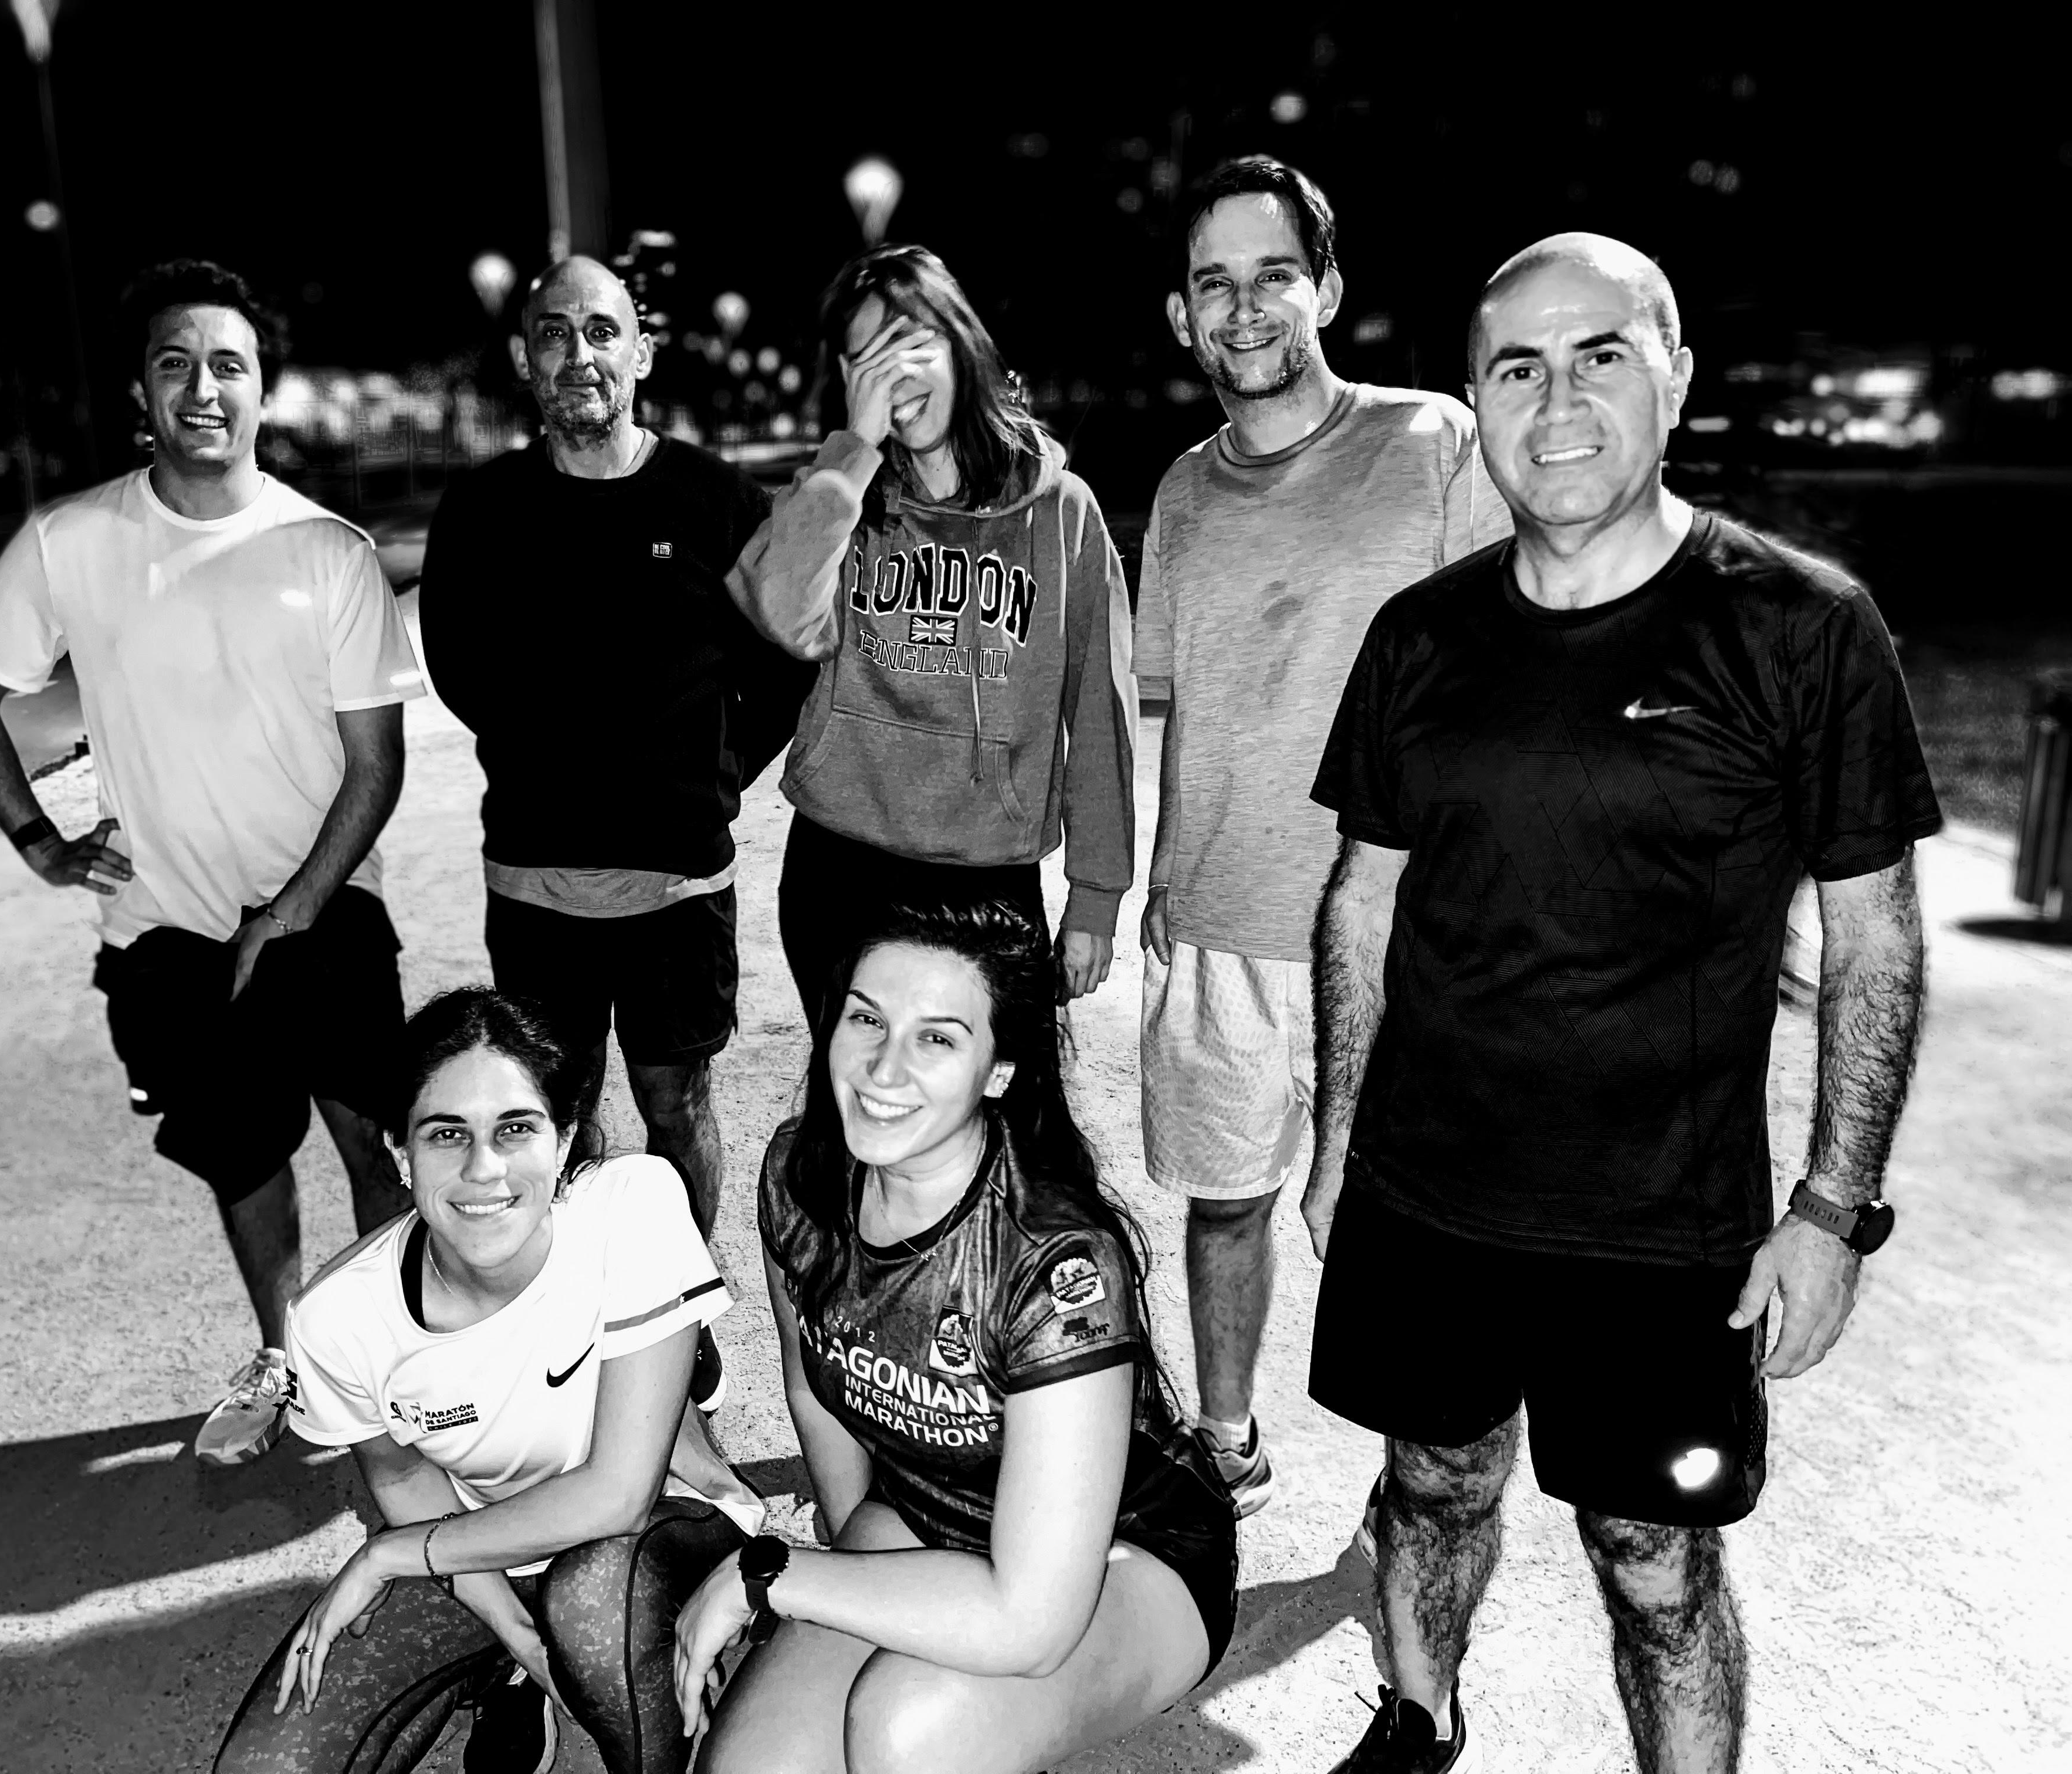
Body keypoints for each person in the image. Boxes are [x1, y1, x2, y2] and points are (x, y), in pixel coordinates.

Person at [1302, 234, 1936, 1772]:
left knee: (1657, 1569)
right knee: (1431, 1483)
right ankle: (1420, 1712)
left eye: (1601, 354)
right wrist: (1338, 1138)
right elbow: (1364, 898)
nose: (1558, 397)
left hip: (1662, 1231)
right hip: (1428, 1195)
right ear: (1476, 398)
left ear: (1676, 380)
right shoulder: (1422, 637)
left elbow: (1874, 940)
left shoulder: (1800, 626)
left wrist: (1834, 1210)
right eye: (1517, 365)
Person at [0, 259, 427, 1468]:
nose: (203, 387)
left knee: (377, 1147)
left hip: (324, 918)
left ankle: (401, 1361)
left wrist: (295, 908)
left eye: (228, 365)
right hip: (163, 941)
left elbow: (376, 769)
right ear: (141, 397)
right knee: (243, 1159)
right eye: (175, 365)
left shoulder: (327, 551)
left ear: (265, 390)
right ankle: (290, 1353)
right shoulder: (71, 542)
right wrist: (41, 843)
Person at [1136, 156, 1511, 1521]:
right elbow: (1169, 706)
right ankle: (1224, 1440)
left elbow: (1518, 661)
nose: (1243, 308)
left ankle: (1418, 1481)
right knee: (1225, 1200)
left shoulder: (1432, 444)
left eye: (1272, 275)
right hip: (1222, 924)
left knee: (1416, 1229)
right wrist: (1160, 884)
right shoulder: (1179, 494)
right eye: (1212, 283)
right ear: (1183, 315)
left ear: (1328, 289)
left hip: (1404, 929)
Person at [675, 900, 1237, 1774]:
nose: (883, 1067)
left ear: (1000, 1068)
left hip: (1122, 1553)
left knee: (909, 1725)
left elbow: (1031, 1621)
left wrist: (776, 1576)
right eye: (867, 1018)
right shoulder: (800, 1174)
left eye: (937, 1039)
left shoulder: (1054, 1262)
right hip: (921, 1508)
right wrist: (846, 1578)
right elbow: (812, 1395)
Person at [418, 256, 810, 1412]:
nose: (580, 354)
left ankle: (678, 1313)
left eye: (603, 331)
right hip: (536, 883)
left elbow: (784, 660)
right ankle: (581, 1312)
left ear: (643, 351)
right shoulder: (484, 510)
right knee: (558, 1116)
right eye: (554, 334)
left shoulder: (716, 501)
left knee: (678, 1100)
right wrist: (563, 759)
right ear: (526, 360)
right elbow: (462, 670)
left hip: (678, 885)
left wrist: (716, 772)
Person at [215, 987, 765, 1774]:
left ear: (565, 1139)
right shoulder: (335, 1319)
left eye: (516, 1129)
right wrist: (518, 1633)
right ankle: (520, 1679)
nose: (484, 1168)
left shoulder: (631, 1204)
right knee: (269, 1764)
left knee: (593, 1601)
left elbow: (619, 1496)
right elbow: (406, 1480)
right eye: (447, 1135)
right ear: (400, 1155)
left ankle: (677, 1700)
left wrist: (389, 1558)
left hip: (659, 1534)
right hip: (480, 1557)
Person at [726, 246, 1136, 1030]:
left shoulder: (1062, 514)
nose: (893, 376)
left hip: (989, 875)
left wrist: (1095, 895)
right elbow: (781, 612)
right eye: (866, 360)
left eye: (911, 344)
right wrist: (852, 452)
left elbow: (1100, 718)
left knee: (996, 1121)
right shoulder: (838, 498)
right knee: (855, 1116)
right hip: (842, 869)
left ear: (961, 344)